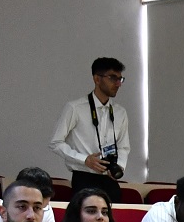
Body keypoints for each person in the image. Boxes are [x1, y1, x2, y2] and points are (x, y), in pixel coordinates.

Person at [49, 56, 129, 200]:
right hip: (84, 178)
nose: (118, 84)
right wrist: (84, 159)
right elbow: (55, 142)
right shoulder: (75, 108)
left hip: (110, 178)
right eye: (113, 78)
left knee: (115, 212)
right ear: (97, 79)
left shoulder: (120, 112)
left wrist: (120, 166)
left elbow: (123, 147)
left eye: (120, 79)